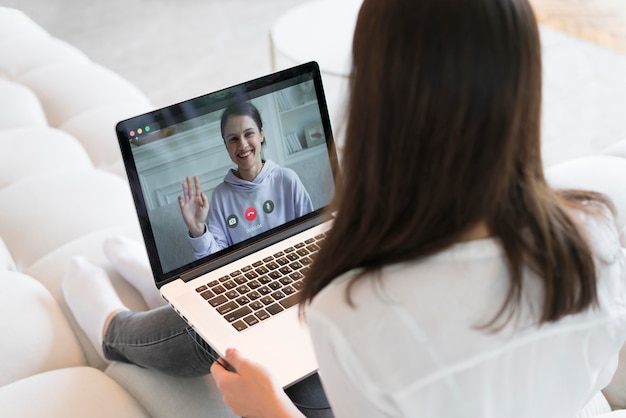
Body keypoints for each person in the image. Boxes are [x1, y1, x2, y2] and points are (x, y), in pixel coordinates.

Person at [62, 0, 626, 417]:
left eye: (251, 137)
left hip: (367, 351)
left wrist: (269, 410)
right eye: (234, 141)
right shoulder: (598, 240)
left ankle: (116, 329)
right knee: (229, 299)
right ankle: (175, 287)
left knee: (228, 333)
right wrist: (202, 236)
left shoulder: (354, 308)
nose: (244, 147)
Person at [178, 101, 314, 258]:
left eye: (249, 133)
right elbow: (216, 261)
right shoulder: (221, 196)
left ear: (261, 134)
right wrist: (198, 229)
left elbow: (311, 234)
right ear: (226, 146)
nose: (242, 144)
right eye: (233, 139)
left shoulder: (287, 179)